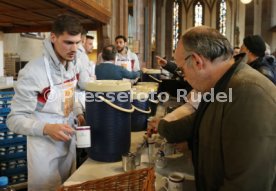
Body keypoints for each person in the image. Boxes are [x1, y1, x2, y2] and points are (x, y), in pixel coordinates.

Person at [157, 26, 276, 191]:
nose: (184, 77)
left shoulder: (250, 92)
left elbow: (245, 184)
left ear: (198, 62)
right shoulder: (223, 85)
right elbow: (205, 121)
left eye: (182, 70)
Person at [7, 15, 85, 191]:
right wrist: (47, 128)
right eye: (68, 43)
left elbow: (71, 94)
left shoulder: (71, 63)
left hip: (68, 139)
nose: (74, 49)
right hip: (44, 148)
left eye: (77, 42)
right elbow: (14, 120)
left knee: (68, 185)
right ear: (53, 37)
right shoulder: (33, 72)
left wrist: (79, 112)